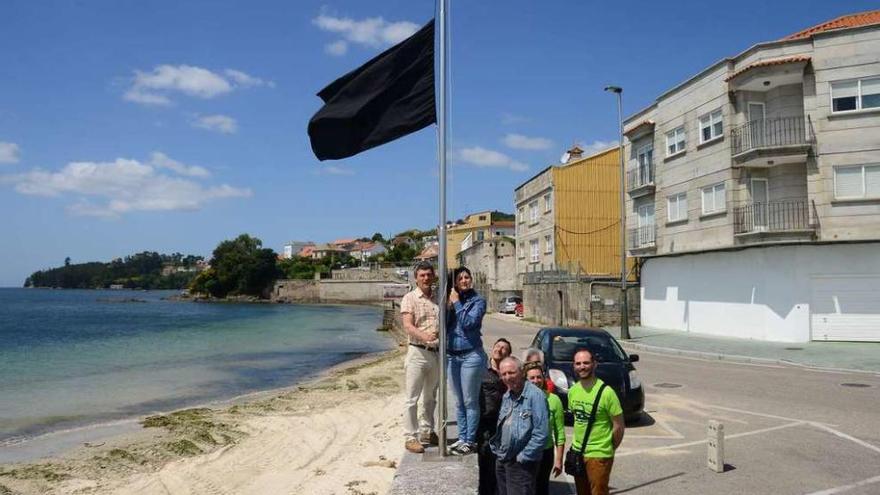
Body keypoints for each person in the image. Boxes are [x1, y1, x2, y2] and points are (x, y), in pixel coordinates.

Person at [568, 348, 625, 495]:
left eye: (586, 363)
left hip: (599, 454)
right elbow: (577, 420)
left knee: (598, 492)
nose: (582, 366)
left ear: (594, 364)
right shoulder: (573, 391)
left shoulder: (607, 393)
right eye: (578, 363)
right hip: (578, 452)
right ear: (574, 366)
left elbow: (618, 425)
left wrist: (609, 448)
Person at [490, 357, 549, 495]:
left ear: (522, 372)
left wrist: (523, 457)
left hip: (521, 463)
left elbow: (541, 433)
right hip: (503, 458)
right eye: (503, 374)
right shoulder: (507, 395)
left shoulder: (535, 395)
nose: (507, 377)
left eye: (511, 372)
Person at [399, 261, 441, 454]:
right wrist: (425, 336)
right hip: (417, 352)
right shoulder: (410, 298)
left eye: (428, 275)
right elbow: (407, 325)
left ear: (433, 277)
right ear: (416, 278)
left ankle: (427, 430)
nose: (425, 278)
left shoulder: (437, 299)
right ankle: (410, 436)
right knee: (412, 397)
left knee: (430, 396)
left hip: (435, 353)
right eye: (422, 275)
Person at [446, 266, 488, 455]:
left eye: (467, 277)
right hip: (452, 355)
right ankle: (462, 437)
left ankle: (470, 441)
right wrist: (448, 306)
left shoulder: (478, 301)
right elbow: (444, 326)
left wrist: (456, 304)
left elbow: (469, 323)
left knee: (470, 401)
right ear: (454, 282)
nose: (464, 280)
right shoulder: (450, 300)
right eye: (460, 278)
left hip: (471, 355)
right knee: (459, 401)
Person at [524, 362, 565, 495]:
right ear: (526, 380)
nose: (536, 381)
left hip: (545, 452)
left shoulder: (554, 400)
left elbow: (559, 432)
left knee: (541, 488)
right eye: (532, 378)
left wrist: (559, 460)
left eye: (539, 377)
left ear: (543, 378)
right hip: (524, 452)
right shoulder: (520, 398)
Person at [478, 338, 512, 495]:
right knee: (485, 465)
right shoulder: (481, 369)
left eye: (504, 348)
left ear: (508, 354)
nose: (499, 349)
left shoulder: (509, 374)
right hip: (485, 425)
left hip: (505, 426)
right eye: (497, 346)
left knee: (500, 468)